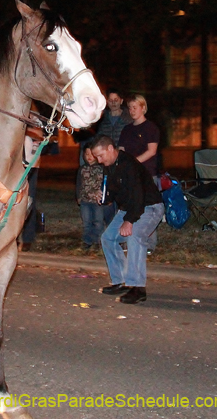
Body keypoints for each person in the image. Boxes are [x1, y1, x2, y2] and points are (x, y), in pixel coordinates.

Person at [90, 134, 164, 305]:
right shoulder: (110, 166)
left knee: (135, 236)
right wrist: (104, 196)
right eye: (96, 157)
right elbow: (114, 193)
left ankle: (138, 288)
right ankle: (121, 281)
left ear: (110, 148)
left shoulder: (128, 165)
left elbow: (139, 195)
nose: (99, 160)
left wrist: (129, 221)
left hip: (149, 206)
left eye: (100, 155)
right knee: (108, 238)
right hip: (130, 208)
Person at [76, 143, 112, 250]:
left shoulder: (102, 168)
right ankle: (87, 241)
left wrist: (106, 197)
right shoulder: (82, 169)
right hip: (85, 201)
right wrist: (78, 196)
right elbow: (79, 183)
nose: (89, 156)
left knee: (98, 222)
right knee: (86, 222)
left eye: (92, 154)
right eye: (87, 154)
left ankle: (98, 241)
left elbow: (106, 184)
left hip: (97, 202)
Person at [117, 94, 160, 177]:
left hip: (146, 173)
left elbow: (151, 151)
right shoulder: (126, 129)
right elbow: (121, 149)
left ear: (143, 108)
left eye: (134, 108)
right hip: (130, 173)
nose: (132, 111)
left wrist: (133, 162)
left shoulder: (151, 128)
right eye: (130, 108)